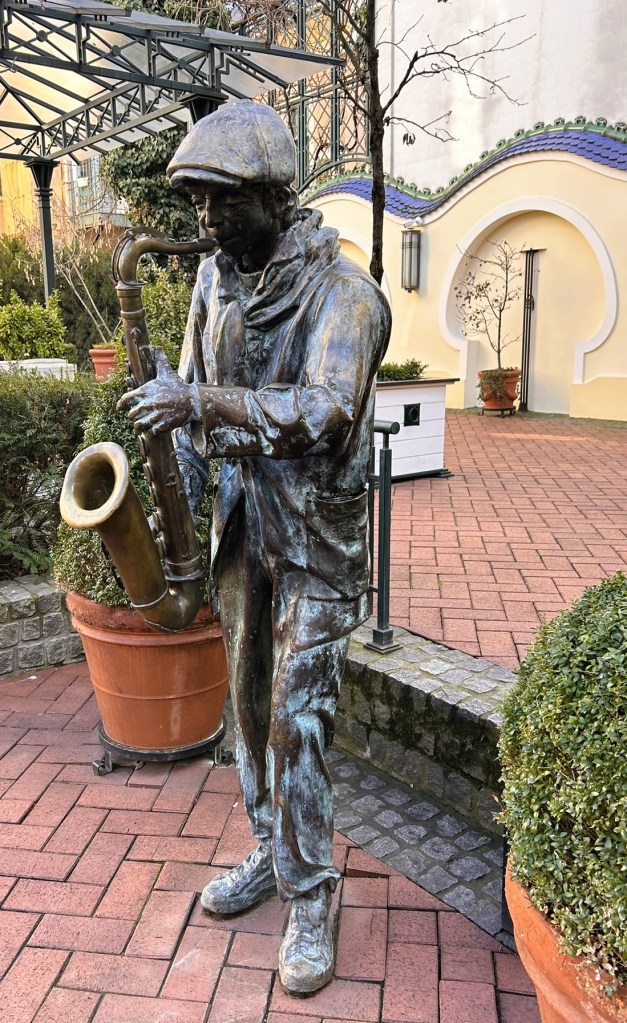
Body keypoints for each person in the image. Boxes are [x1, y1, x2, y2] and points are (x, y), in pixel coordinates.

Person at [119, 99, 391, 994]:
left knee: (298, 721)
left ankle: (312, 895)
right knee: (247, 707)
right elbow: (195, 402)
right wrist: (177, 497)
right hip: (242, 534)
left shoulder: (348, 296)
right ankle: (272, 851)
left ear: (275, 196)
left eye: (220, 202)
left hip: (315, 542)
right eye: (195, 203)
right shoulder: (211, 283)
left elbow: (323, 410)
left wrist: (200, 406)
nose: (203, 222)